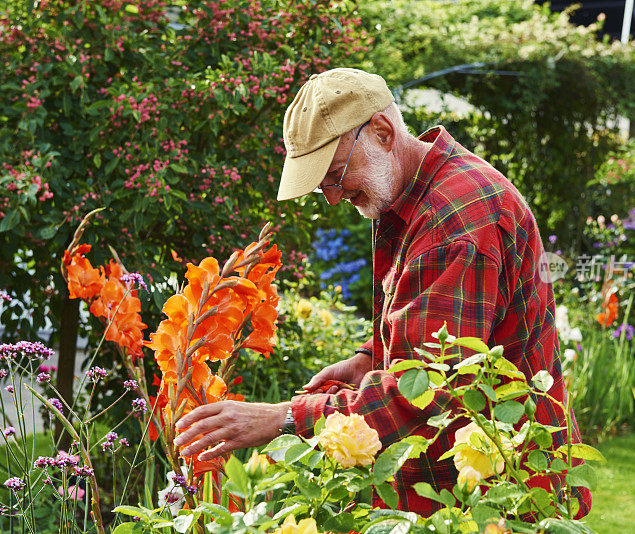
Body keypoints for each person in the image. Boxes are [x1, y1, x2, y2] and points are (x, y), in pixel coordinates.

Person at [174, 67, 592, 518]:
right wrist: (370, 356)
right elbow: (439, 332)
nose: (333, 198)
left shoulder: (452, 225)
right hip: (464, 479)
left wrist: (285, 418)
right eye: (322, 188)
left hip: (501, 492)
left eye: (334, 175)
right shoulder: (412, 193)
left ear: (382, 132)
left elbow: (427, 389)